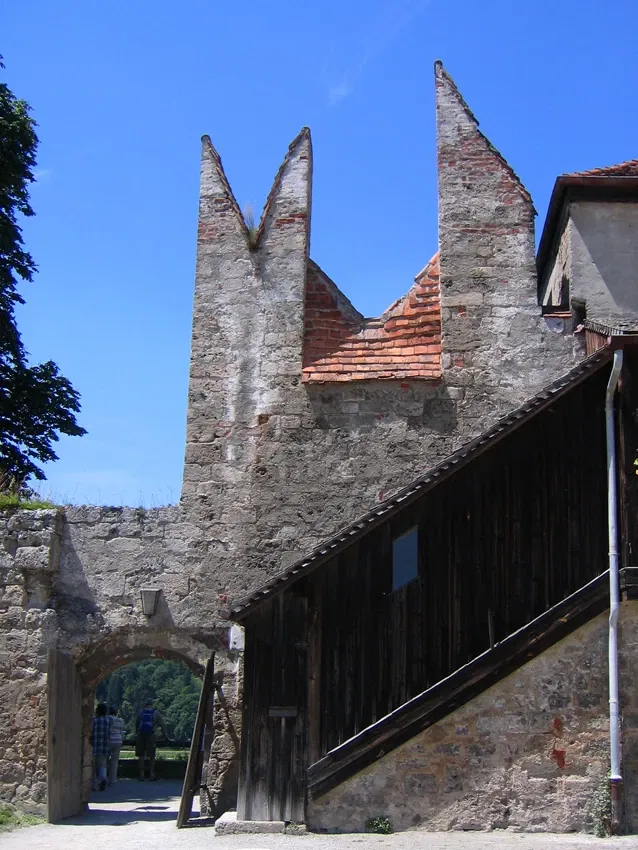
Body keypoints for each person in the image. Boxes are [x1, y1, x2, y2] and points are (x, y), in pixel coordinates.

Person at [135, 698, 169, 781]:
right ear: (152, 704)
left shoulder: (140, 712)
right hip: (151, 735)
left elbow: (137, 723)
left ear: (145, 704)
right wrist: (165, 735)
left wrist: (137, 732)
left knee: (141, 755)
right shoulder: (156, 712)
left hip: (141, 735)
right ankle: (152, 774)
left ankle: (141, 774)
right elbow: (162, 725)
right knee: (152, 755)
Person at [90, 702, 111, 792]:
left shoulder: (94, 720)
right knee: (102, 764)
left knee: (93, 766)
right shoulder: (108, 721)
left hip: (95, 745)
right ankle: (103, 778)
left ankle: (94, 784)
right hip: (104, 745)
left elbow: (91, 732)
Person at [107, 706, 125, 786]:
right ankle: (112, 780)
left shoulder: (107, 719)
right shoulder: (120, 720)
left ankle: (103, 778)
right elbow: (121, 731)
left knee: (105, 760)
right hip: (118, 740)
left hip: (109, 740)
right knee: (114, 761)